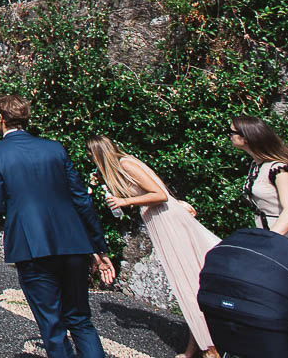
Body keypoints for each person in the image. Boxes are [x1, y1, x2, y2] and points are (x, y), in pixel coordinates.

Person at [0, 95, 113, 358]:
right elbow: (82, 200)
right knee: (80, 319)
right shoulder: (54, 148)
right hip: (73, 243)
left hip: (32, 247)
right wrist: (99, 246)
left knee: (52, 326)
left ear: (0, 119)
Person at [87, 136, 219, 358]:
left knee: (187, 281)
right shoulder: (121, 167)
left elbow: (159, 194)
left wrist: (125, 202)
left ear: (98, 152)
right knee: (185, 282)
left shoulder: (126, 163)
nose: (90, 159)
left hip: (167, 221)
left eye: (91, 155)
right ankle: (198, 346)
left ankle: (207, 348)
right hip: (159, 222)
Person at [230, 114, 288, 239]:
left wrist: (269, 240)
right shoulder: (257, 165)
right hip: (270, 235)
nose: (229, 135)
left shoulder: (280, 170)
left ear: (246, 136)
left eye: (232, 132)